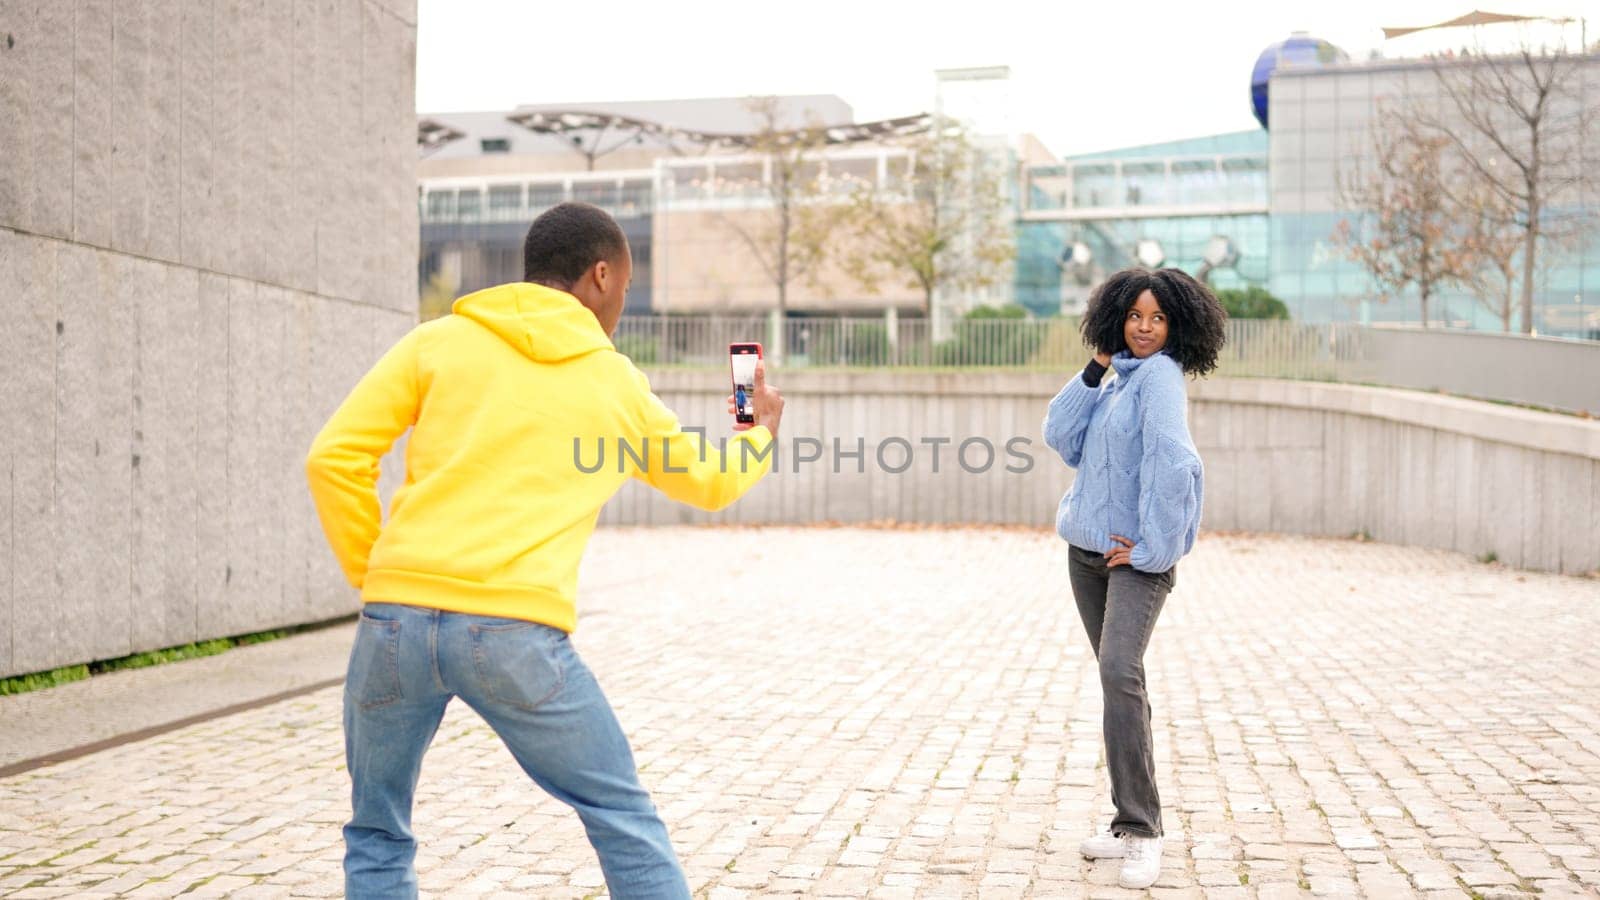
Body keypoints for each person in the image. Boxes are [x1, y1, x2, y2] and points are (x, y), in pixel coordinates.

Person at [306, 202, 785, 900]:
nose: (621, 301)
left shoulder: (437, 342)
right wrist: (757, 431)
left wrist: (378, 581)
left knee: (377, 832)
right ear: (598, 275)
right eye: (622, 285)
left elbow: (333, 459)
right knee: (620, 815)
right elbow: (710, 483)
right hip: (513, 635)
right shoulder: (612, 382)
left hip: (395, 624)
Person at [1041, 267, 1226, 890]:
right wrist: (1094, 368)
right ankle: (1128, 821)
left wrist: (1154, 550)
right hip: (1087, 554)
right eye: (1134, 316)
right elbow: (1060, 437)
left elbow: (1177, 465)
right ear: (1115, 317)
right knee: (1119, 684)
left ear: (1178, 327)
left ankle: (1145, 833)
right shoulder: (1117, 379)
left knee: (1120, 673)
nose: (1145, 329)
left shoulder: (1161, 380)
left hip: (1134, 561)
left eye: (1158, 319)